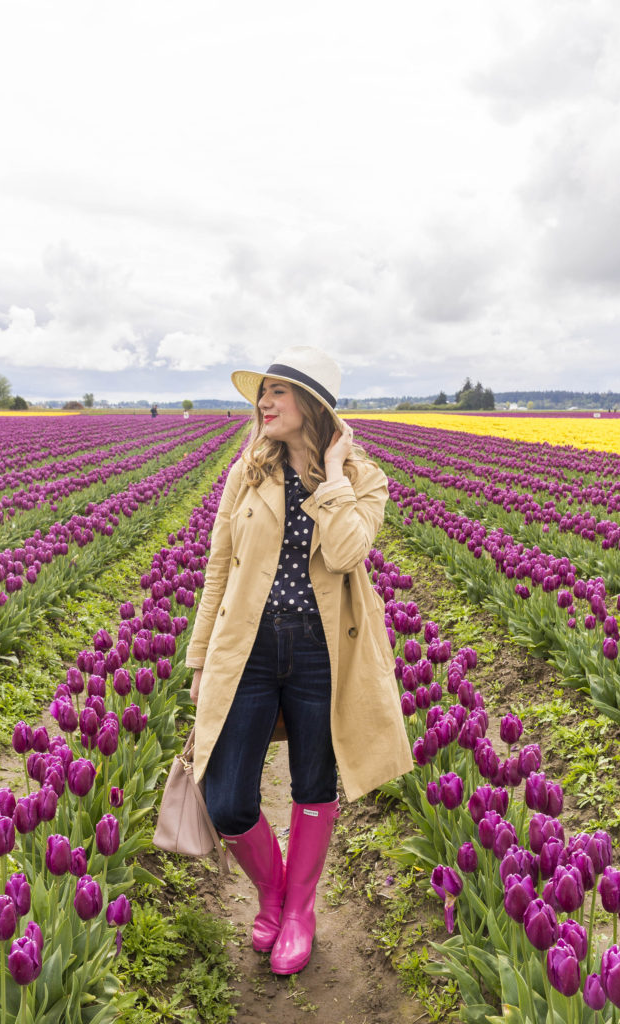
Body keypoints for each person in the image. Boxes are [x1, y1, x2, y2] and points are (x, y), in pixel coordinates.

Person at [185, 346, 413, 975]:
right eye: (262, 393)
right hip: (249, 648)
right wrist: (201, 654)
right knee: (228, 797)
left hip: (322, 651)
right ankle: (273, 892)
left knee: (314, 783)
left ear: (310, 406)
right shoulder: (245, 473)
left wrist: (333, 475)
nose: (263, 403)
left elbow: (344, 554)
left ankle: (300, 914)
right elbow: (217, 568)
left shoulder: (364, 480)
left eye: (277, 394)